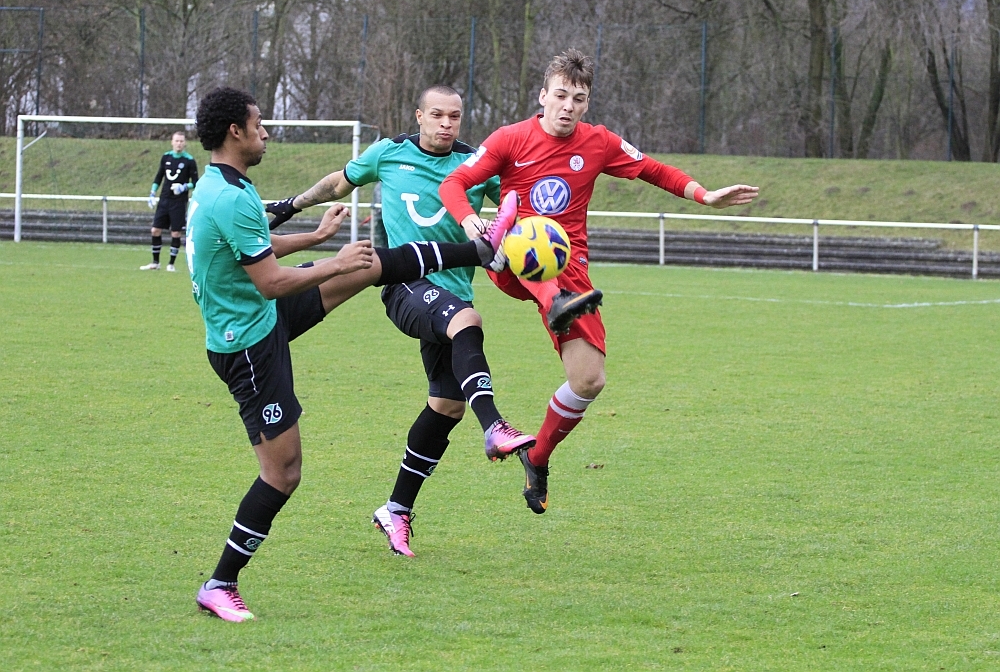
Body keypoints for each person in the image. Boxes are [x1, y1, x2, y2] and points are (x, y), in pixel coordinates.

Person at [187, 86, 512, 622]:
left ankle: (473, 252)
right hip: (248, 345)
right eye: (259, 124)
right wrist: (333, 262)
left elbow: (255, 247)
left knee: (367, 268)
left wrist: (316, 237)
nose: (266, 132)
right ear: (234, 132)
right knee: (283, 473)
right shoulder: (233, 197)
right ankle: (220, 583)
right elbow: (270, 281)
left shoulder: (221, 185)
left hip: (259, 318)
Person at [440, 50, 759, 515]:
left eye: (578, 99)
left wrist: (705, 195)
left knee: (589, 380)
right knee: (523, 233)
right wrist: (471, 222)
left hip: (570, 270)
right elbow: (453, 184)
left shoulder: (598, 142)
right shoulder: (510, 138)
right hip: (509, 255)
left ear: (587, 103)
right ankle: (549, 292)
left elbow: (653, 170)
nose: (568, 106)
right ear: (543, 96)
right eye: (561, 96)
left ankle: (537, 457)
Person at [266, 85, 576, 557]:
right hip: (404, 285)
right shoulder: (388, 153)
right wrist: (293, 205)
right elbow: (338, 183)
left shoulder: (474, 164)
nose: (446, 124)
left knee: (446, 406)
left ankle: (396, 509)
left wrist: (528, 234)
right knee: (467, 320)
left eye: (454, 116)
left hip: (452, 294)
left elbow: (518, 208)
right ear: (419, 115)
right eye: (436, 114)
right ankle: (494, 426)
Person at [140, 131, 198, 272]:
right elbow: (159, 176)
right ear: (172, 142)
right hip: (164, 200)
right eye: (176, 141)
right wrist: (152, 192)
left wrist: (184, 187)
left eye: (181, 141)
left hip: (179, 202)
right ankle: (155, 262)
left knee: (176, 233)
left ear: (185, 143)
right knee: (155, 230)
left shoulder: (189, 160)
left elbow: (196, 182)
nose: (179, 143)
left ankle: (171, 264)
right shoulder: (166, 157)